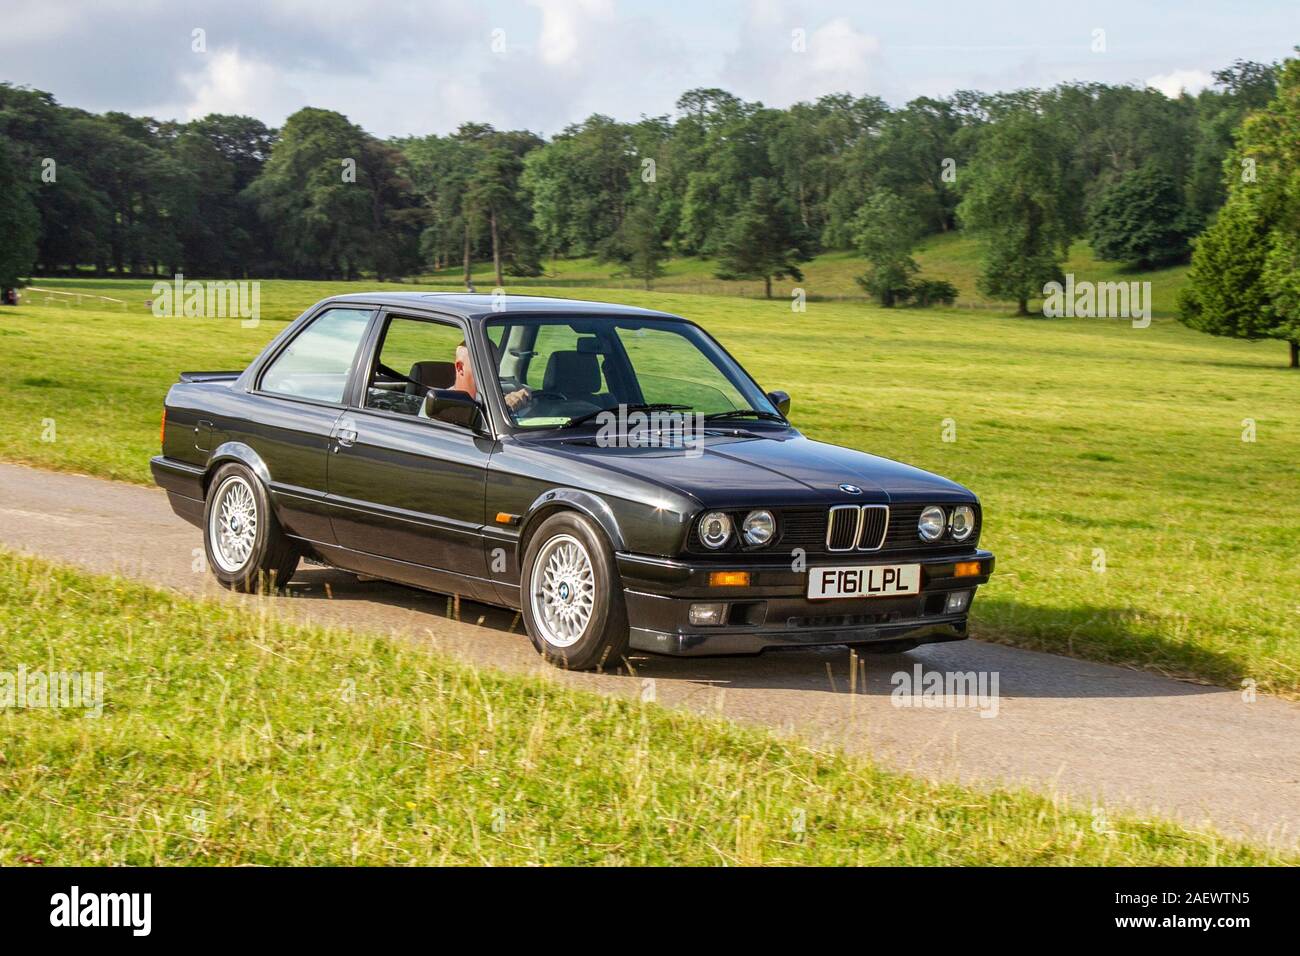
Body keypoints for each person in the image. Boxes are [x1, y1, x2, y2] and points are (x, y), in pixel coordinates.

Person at [454, 341, 531, 411]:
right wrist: (502, 407)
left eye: (496, 365)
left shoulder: (500, 395)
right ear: (460, 368)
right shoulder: (448, 403)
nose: (493, 373)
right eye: (486, 366)